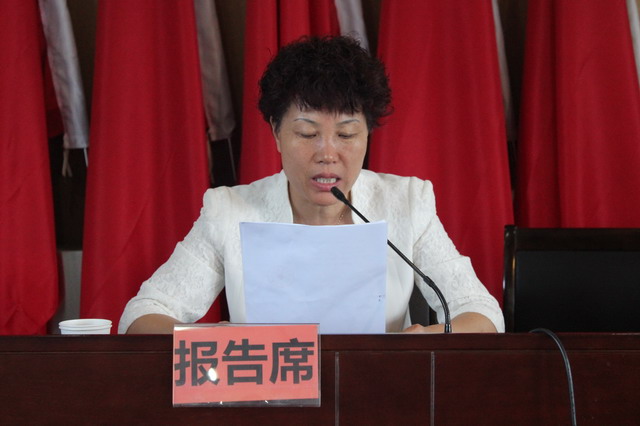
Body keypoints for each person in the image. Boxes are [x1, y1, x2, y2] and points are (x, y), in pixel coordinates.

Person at [120, 35, 504, 334]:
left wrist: (425, 340)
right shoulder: (229, 211)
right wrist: (211, 340)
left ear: (368, 135)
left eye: (347, 134)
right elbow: (141, 316)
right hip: (266, 399)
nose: (327, 153)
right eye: (307, 134)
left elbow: (482, 312)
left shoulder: (405, 202)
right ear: (276, 133)